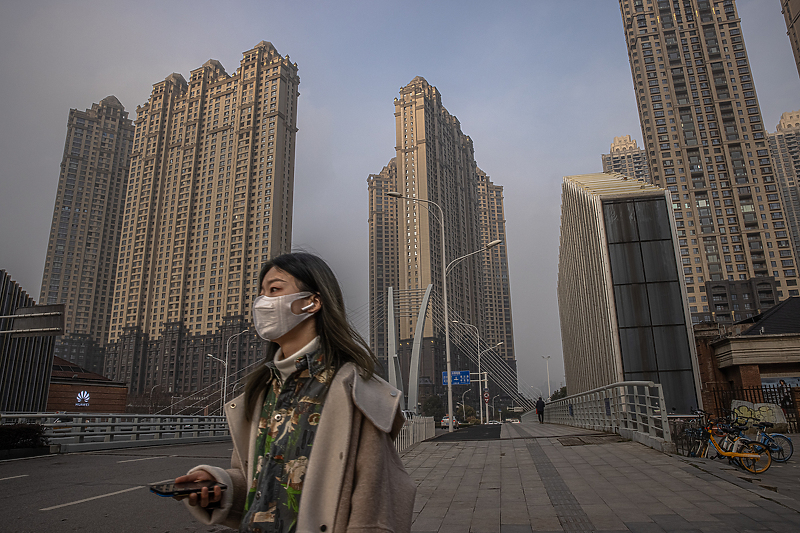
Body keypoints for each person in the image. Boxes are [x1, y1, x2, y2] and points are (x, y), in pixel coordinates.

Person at [174, 252, 416, 532]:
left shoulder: (355, 391)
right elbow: (259, 482)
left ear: (312, 302)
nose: (263, 301)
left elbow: (373, 506)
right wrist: (218, 486)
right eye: (261, 292)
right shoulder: (261, 391)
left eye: (275, 289)